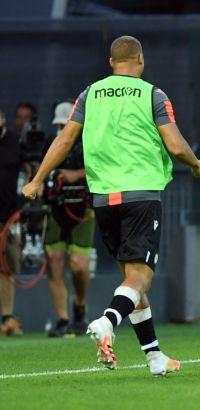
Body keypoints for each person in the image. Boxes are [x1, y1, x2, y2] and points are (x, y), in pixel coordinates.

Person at [23, 35, 200, 376]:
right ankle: (107, 322)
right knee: (141, 279)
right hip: (141, 195)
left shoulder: (89, 94)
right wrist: (195, 164)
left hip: (104, 200)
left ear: (110, 63)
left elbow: (64, 139)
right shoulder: (153, 93)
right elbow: (176, 145)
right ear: (141, 60)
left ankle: (155, 357)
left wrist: (36, 180)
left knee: (131, 281)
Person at [42, 101, 95, 337]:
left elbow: (105, 167)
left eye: (66, 124)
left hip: (84, 208)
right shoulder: (49, 144)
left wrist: (76, 175)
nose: (63, 128)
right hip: (55, 208)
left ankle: (80, 307)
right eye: (60, 125)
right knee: (54, 260)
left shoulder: (93, 142)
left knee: (79, 265)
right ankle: (63, 319)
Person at [0, 109, 23, 336]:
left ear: (3, 118)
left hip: (8, 215)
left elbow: (29, 170)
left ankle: (7, 317)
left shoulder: (15, 142)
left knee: (7, 268)